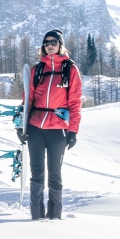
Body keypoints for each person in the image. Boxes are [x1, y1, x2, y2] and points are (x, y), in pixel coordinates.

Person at [23, 29, 81, 220]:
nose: (49, 45)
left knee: (55, 173)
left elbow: (75, 102)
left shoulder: (70, 69)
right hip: (35, 127)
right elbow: (27, 100)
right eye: (46, 42)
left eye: (53, 42)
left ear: (60, 45)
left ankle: (55, 215)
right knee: (37, 172)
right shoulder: (37, 69)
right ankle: (36, 214)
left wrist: (73, 131)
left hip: (58, 129)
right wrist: (20, 126)